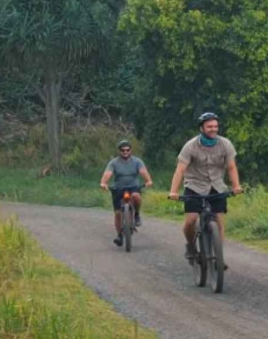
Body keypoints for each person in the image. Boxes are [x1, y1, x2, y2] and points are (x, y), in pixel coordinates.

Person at [167, 111, 243, 262]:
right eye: (209, 126)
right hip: (194, 186)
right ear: (202, 128)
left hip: (217, 186)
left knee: (220, 222)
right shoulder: (190, 146)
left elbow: (232, 167)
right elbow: (180, 170)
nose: (213, 129)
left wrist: (236, 186)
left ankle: (218, 258)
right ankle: (190, 245)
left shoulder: (225, 144)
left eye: (215, 126)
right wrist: (173, 191)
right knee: (191, 221)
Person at [99, 139, 152, 246]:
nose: (125, 152)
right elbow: (108, 173)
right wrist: (103, 183)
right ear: (119, 151)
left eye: (127, 150)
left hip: (133, 187)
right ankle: (119, 235)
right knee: (118, 213)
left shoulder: (137, 161)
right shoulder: (114, 162)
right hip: (118, 188)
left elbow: (143, 171)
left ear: (130, 150)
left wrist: (148, 181)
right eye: (123, 150)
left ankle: (136, 214)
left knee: (136, 196)